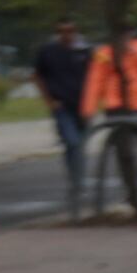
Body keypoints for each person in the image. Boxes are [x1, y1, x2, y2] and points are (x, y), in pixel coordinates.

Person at [32, 22, 90, 170]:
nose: (67, 34)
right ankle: (77, 175)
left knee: (81, 143)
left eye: (70, 31)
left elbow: (94, 76)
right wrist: (49, 100)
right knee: (72, 141)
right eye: (62, 31)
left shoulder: (84, 51)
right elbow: (38, 76)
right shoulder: (48, 51)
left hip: (83, 104)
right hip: (61, 105)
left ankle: (78, 174)